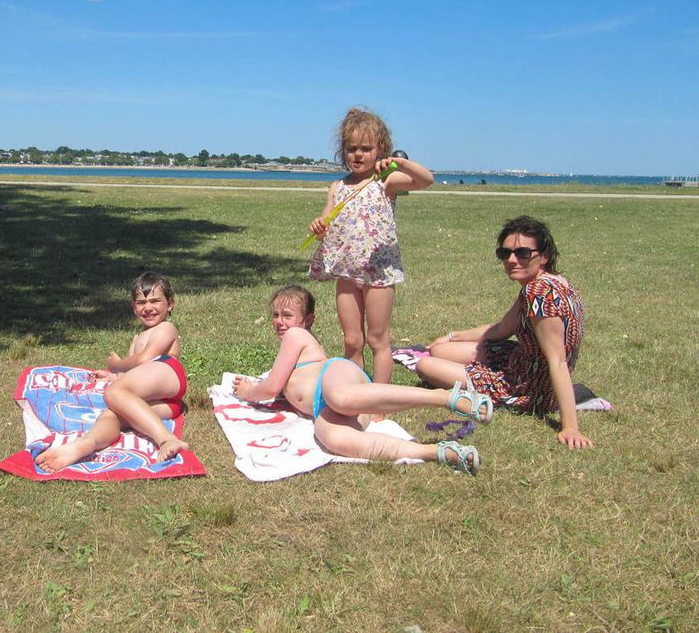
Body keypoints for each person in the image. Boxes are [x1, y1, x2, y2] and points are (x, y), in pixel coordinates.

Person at [232, 285, 490, 474]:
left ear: (307, 320)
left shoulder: (296, 335)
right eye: (275, 315)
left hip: (334, 376)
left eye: (286, 315)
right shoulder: (292, 340)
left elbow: (272, 386)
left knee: (340, 397)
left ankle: (446, 397)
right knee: (331, 438)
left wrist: (249, 391)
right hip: (325, 408)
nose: (279, 322)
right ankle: (437, 452)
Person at [414, 216, 592, 450]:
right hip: (522, 359)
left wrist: (570, 427)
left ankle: (488, 383)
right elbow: (501, 329)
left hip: (529, 386)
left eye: (523, 253)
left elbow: (557, 361)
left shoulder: (538, 294)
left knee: (425, 367)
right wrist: (451, 336)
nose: (512, 260)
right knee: (439, 350)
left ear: (544, 256)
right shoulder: (549, 282)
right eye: (505, 253)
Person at [307, 107, 434, 384]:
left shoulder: (386, 182)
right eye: (352, 148)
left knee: (378, 340)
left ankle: (379, 400)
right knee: (352, 340)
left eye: (366, 148)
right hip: (347, 274)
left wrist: (399, 163)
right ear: (343, 151)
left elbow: (426, 179)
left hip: (379, 273)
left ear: (381, 150)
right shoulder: (337, 187)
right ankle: (356, 392)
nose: (358, 155)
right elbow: (326, 224)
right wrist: (318, 226)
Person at [35, 272, 190, 472]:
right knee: (111, 415)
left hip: (167, 371)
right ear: (133, 307)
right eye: (141, 302)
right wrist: (111, 375)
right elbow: (132, 376)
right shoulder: (137, 337)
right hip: (167, 404)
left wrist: (117, 365)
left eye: (155, 301)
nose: (148, 307)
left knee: (114, 393)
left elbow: (145, 360)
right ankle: (84, 445)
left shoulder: (166, 328)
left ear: (170, 304)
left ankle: (166, 439)